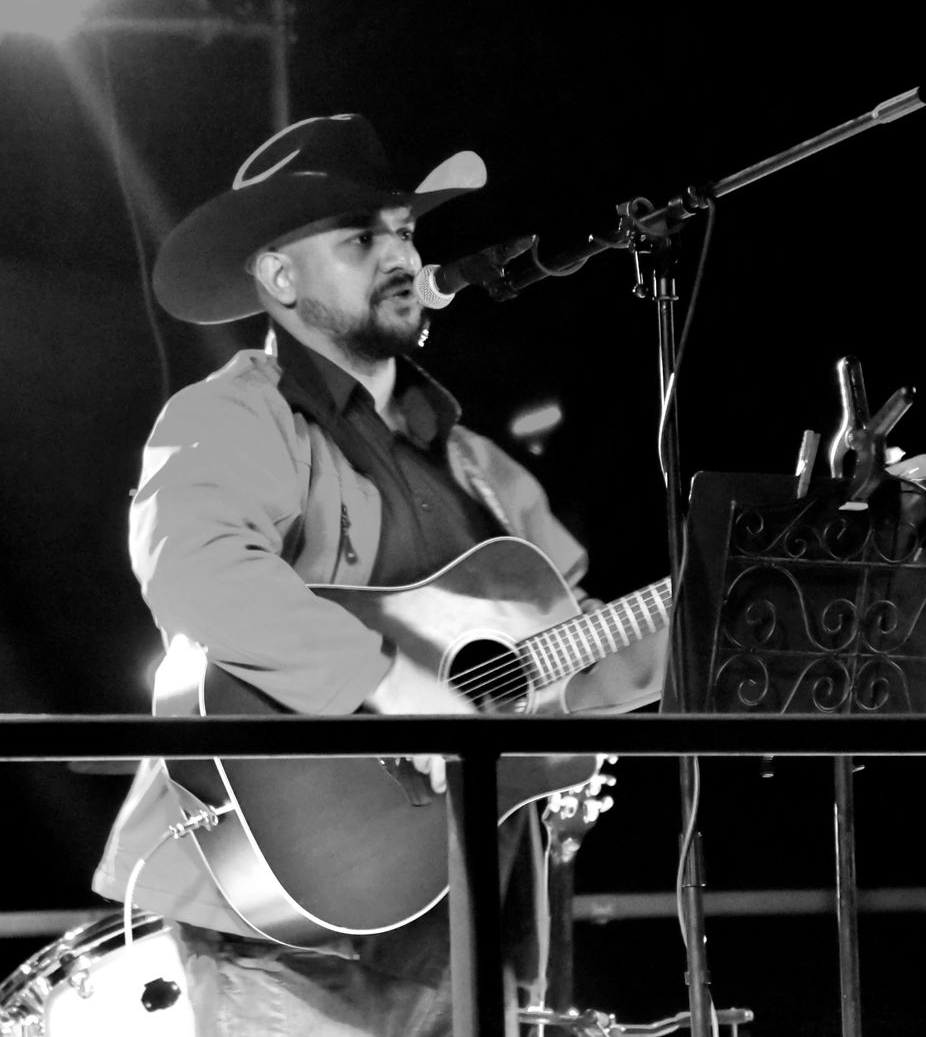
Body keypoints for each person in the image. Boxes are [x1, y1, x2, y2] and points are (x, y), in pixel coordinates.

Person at [93, 113, 666, 1036]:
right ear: (280, 278)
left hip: (465, 917)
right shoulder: (233, 417)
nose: (401, 254)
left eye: (403, 231)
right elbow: (197, 568)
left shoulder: (478, 464)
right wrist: (395, 686)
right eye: (361, 239)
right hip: (285, 933)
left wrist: (750, 588)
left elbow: (581, 655)